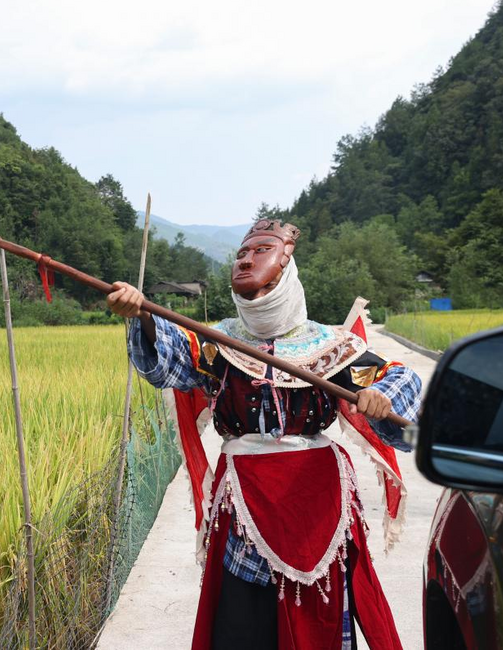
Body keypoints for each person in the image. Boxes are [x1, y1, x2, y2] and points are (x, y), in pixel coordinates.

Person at [107, 219, 421, 650]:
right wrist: (141, 313)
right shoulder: (218, 343)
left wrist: (380, 395)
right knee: (244, 614)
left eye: (260, 250)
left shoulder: (331, 346)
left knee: (321, 611)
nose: (247, 259)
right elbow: (168, 363)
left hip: (317, 500)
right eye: (242, 252)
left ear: (286, 267)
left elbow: (399, 376)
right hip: (245, 497)